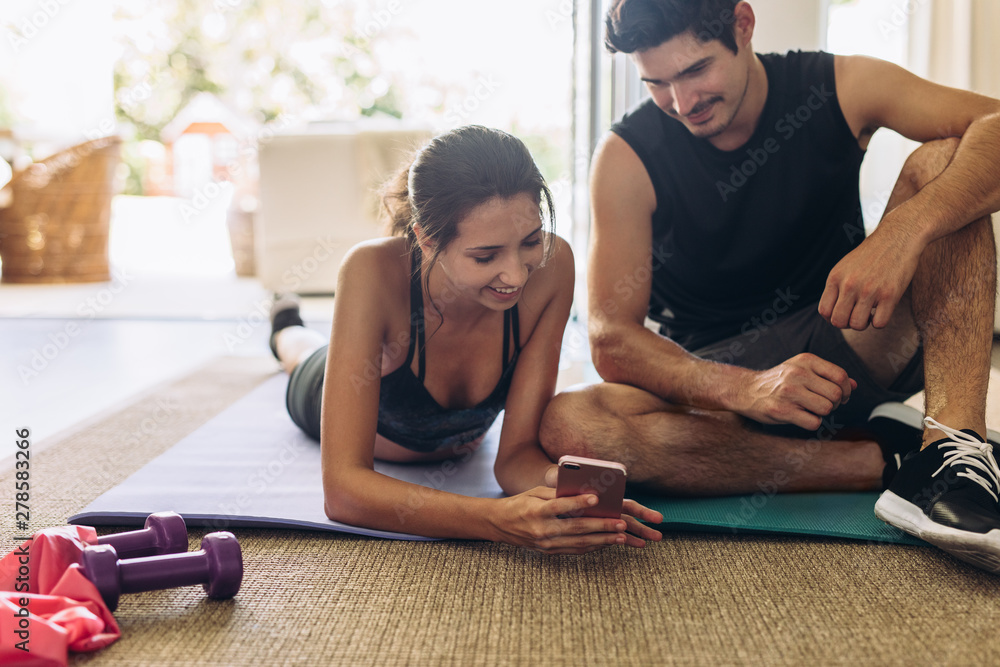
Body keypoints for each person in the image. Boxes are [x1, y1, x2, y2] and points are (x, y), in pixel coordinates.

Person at [539, 0, 1000, 572]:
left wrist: (904, 231)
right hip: (717, 389)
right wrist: (744, 387)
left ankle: (952, 450)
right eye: (657, 83)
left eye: (695, 71)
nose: (681, 104)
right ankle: (884, 457)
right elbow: (610, 336)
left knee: (944, 163)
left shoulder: (841, 83)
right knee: (571, 424)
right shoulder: (627, 155)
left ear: (743, 25)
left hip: (852, 337)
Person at [268, 125, 663, 555]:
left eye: (529, 241)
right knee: (301, 352)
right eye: (485, 256)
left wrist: (569, 492)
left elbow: (514, 459)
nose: (515, 276)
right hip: (319, 385)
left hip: (456, 441)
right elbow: (343, 491)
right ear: (425, 238)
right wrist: (495, 520)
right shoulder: (370, 271)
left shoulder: (553, 265)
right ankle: (285, 327)